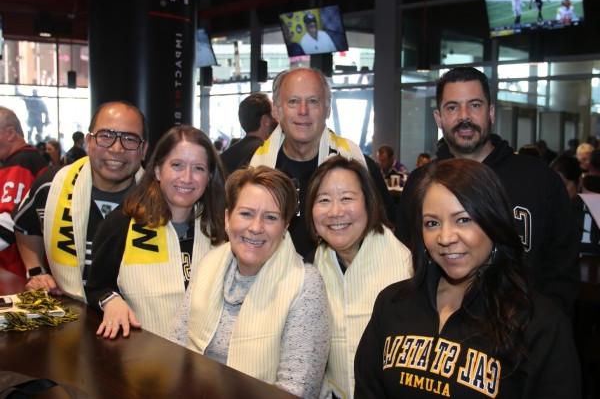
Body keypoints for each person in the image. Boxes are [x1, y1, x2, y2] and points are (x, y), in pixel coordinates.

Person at [355, 158, 581, 398]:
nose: (445, 237)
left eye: (463, 220)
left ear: (493, 222)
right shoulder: (392, 304)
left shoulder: (539, 323)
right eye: (432, 223)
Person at [398, 67, 579, 315]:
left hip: (523, 334)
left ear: (490, 112)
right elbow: (408, 262)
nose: (464, 116)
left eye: (474, 105)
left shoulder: (538, 179)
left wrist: (543, 326)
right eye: (452, 107)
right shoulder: (421, 183)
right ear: (438, 118)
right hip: (443, 332)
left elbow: (562, 267)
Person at [171, 166, 330, 398]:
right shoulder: (209, 264)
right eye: (246, 213)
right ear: (227, 218)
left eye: (271, 217)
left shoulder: (305, 285)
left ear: (285, 227)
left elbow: (297, 391)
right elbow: (175, 346)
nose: (256, 227)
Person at [85, 125, 226, 340]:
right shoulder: (122, 223)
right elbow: (97, 287)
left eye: (198, 168)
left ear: (209, 176)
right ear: (158, 170)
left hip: (207, 362)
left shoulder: (222, 228)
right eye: (177, 165)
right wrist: (111, 301)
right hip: (141, 359)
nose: (187, 178)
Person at [245, 67, 395, 258]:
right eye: (293, 102)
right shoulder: (257, 168)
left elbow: (385, 231)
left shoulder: (357, 165)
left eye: (313, 101)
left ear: (328, 109)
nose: (303, 111)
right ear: (276, 110)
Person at [13, 101, 147, 302]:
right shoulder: (52, 186)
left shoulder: (159, 198)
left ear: (144, 149)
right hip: (72, 318)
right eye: (106, 136)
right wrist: (36, 271)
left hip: (139, 322)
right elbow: (24, 226)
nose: (117, 148)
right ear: (88, 142)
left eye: (130, 139)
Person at [305, 156, 413, 399]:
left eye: (347, 198)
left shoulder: (408, 267)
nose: (335, 212)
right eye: (323, 200)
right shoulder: (311, 267)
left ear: (369, 202)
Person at [0, 107, 47, 277]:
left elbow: (9, 220)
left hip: (18, 269)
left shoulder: (22, 161)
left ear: (10, 133)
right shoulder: (25, 159)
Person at [220, 93, 277, 175]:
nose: (277, 119)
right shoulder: (266, 154)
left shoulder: (224, 156)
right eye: (274, 113)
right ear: (266, 120)